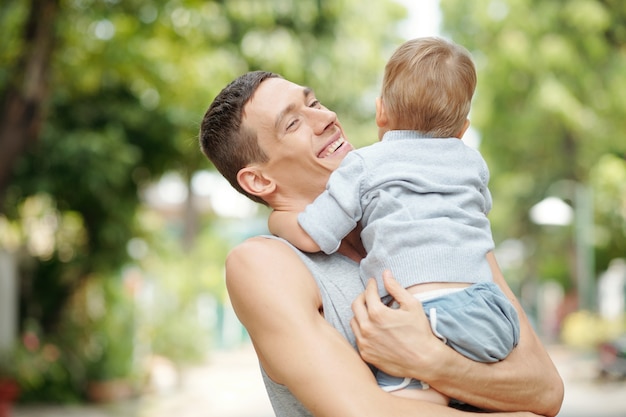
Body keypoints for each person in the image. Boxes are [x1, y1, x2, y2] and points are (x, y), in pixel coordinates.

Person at [199, 69, 564, 416]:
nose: (325, 117)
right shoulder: (264, 264)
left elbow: (546, 389)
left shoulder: (433, 220)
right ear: (259, 182)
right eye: (293, 122)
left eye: (313, 103)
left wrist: (434, 362)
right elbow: (372, 414)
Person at [267, 37, 519, 405]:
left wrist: (279, 221)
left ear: (380, 112)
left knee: (414, 401)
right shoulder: (473, 162)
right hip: (491, 312)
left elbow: (313, 234)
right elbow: (479, 209)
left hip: (423, 313)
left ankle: (430, 393)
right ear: (463, 128)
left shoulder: (366, 163)